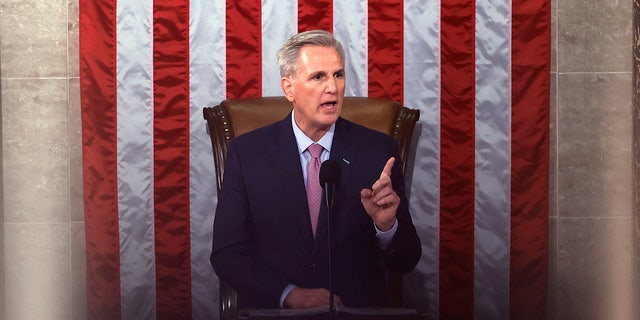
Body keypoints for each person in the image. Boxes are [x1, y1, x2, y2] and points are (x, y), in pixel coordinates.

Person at [210, 29, 421, 310]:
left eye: (338, 75)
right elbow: (227, 254)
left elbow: (407, 259)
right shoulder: (247, 154)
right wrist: (289, 294)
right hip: (276, 310)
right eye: (318, 76)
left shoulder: (378, 152)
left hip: (353, 310)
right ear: (289, 88)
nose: (332, 88)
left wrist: (386, 227)